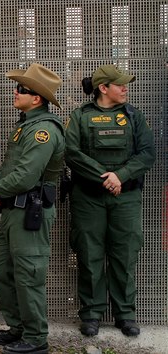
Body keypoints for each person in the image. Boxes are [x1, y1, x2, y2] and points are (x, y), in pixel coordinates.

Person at [66, 65, 156, 338]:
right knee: (89, 255)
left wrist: (120, 176)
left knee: (125, 254)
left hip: (126, 198)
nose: (125, 88)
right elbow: (71, 153)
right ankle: (91, 314)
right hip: (88, 199)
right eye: (120, 84)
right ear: (103, 88)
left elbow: (147, 153)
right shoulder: (80, 117)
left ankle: (125, 314)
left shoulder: (134, 117)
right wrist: (106, 178)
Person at [0, 63, 64, 354]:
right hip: (13, 211)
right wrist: (1, 195)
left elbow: (27, 176)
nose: (15, 92)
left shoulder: (43, 131)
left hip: (30, 212)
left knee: (28, 274)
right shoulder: (26, 125)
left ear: (36, 98)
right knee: (3, 271)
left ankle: (36, 338)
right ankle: (19, 328)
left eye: (21, 89)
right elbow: (14, 168)